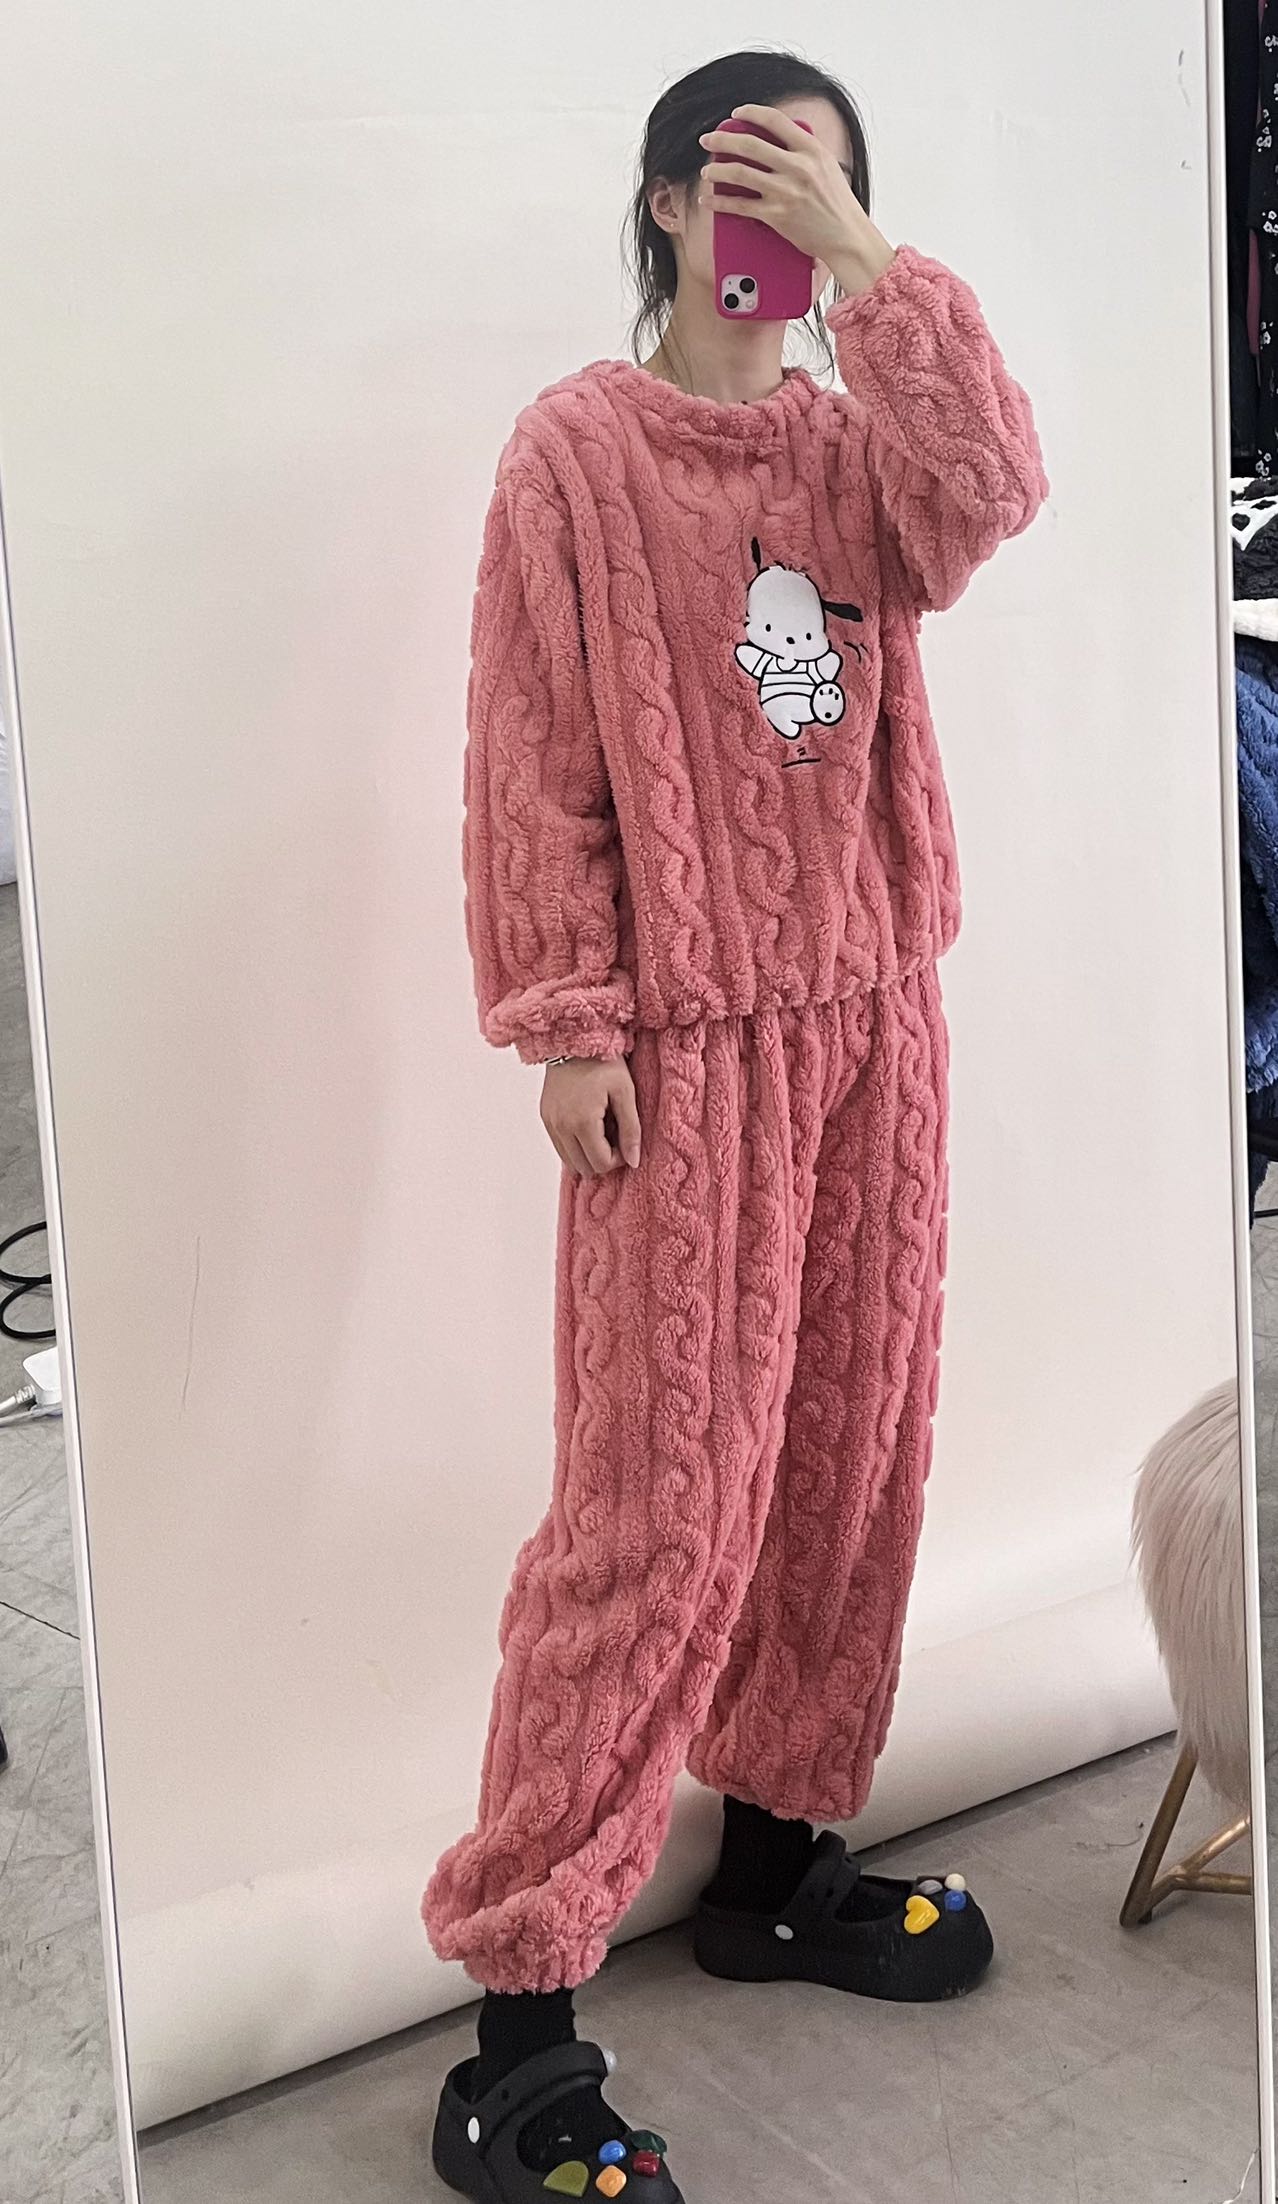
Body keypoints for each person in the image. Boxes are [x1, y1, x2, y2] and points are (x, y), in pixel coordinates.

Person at [422, 46, 1047, 2204]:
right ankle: (515, 2038)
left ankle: (775, 1869)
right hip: (682, 1049)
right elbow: (531, 754)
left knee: (850, 1460)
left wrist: (878, 272)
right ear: (668, 206)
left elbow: (992, 495)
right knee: (657, 1515)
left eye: (820, 184)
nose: (776, 218)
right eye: (744, 179)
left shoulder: (860, 452)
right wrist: (566, 1017)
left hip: (875, 1015)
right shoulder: (574, 453)